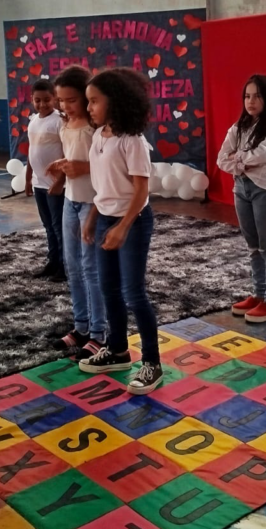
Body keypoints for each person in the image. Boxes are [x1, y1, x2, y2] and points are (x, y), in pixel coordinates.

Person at [78, 67, 162, 396]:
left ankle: (152, 363)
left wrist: (123, 227)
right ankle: (117, 350)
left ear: (114, 102)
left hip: (133, 221)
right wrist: (92, 219)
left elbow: (141, 191)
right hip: (104, 219)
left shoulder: (133, 141)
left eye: (94, 101)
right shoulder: (99, 137)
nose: (89, 108)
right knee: (108, 289)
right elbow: (104, 189)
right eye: (88, 102)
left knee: (133, 293)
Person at [217, 74, 266, 323]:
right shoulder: (238, 128)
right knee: (253, 246)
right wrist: (242, 162)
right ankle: (258, 295)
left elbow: (265, 153)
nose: (251, 101)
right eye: (247, 96)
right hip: (241, 189)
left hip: (264, 190)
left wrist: (240, 158)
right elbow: (222, 158)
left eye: (257, 95)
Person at [47, 66, 104, 356]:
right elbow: (72, 160)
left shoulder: (96, 130)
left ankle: (99, 332)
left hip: (93, 203)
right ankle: (81, 326)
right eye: (61, 100)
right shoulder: (65, 126)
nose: (65, 106)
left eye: (71, 100)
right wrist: (61, 172)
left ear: (85, 97)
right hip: (71, 200)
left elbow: (107, 169)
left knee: (91, 268)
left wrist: (81, 168)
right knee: (73, 266)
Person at [26, 79, 67, 281]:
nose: (42, 104)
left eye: (47, 100)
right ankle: (53, 262)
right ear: (32, 99)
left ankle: (65, 267)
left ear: (55, 99)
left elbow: (69, 153)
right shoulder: (34, 120)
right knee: (48, 227)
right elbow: (31, 151)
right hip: (38, 183)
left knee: (59, 227)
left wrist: (59, 181)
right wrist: (28, 179)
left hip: (55, 186)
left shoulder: (59, 120)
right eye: (37, 100)